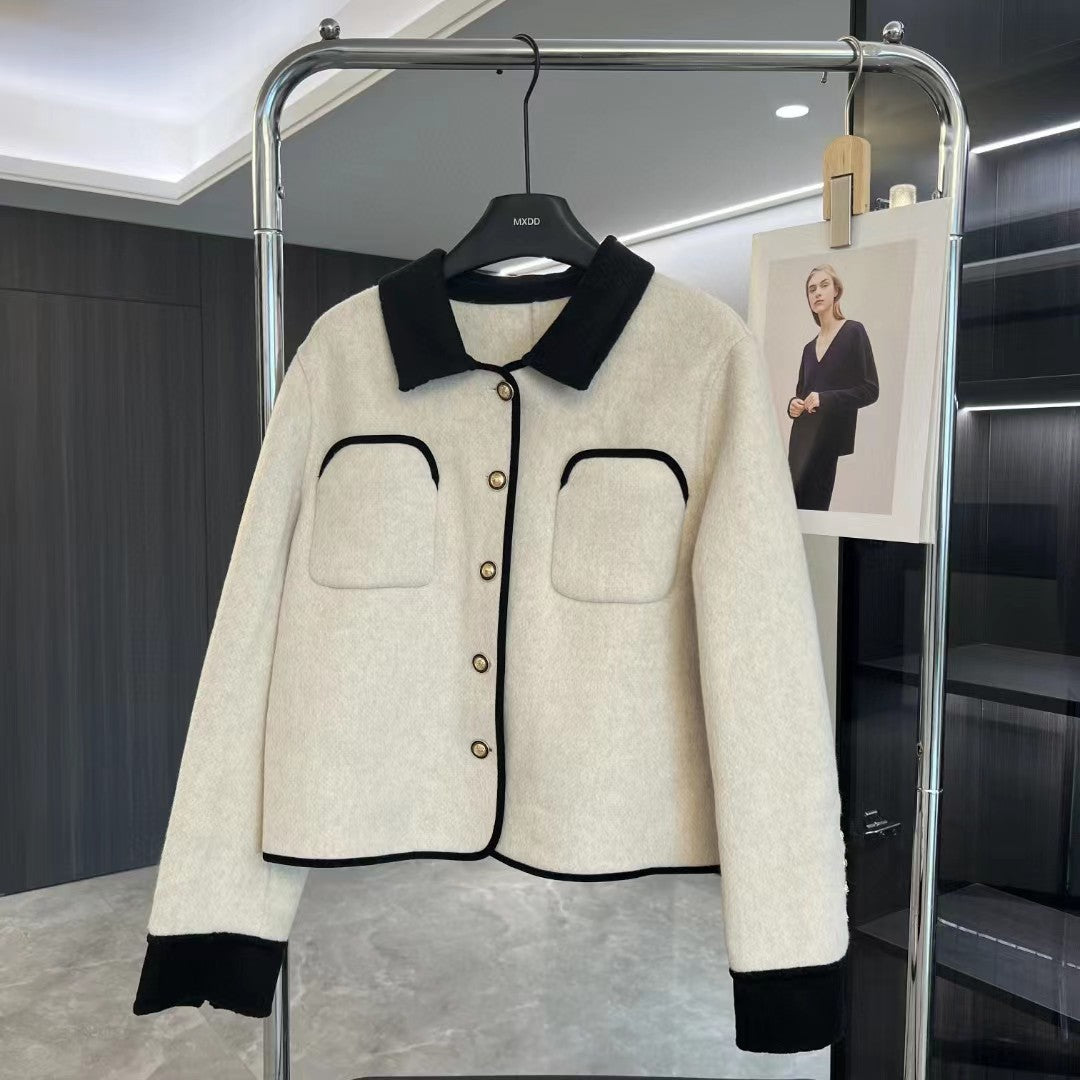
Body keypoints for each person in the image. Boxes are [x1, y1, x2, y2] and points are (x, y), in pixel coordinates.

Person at [786, 263, 879, 510]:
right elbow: (801, 394)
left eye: (824, 285)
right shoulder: (808, 349)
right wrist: (793, 405)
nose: (817, 292)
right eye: (812, 289)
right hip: (800, 442)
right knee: (790, 515)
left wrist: (825, 399)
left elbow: (870, 390)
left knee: (816, 516)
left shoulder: (853, 332)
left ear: (836, 290)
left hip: (828, 443)